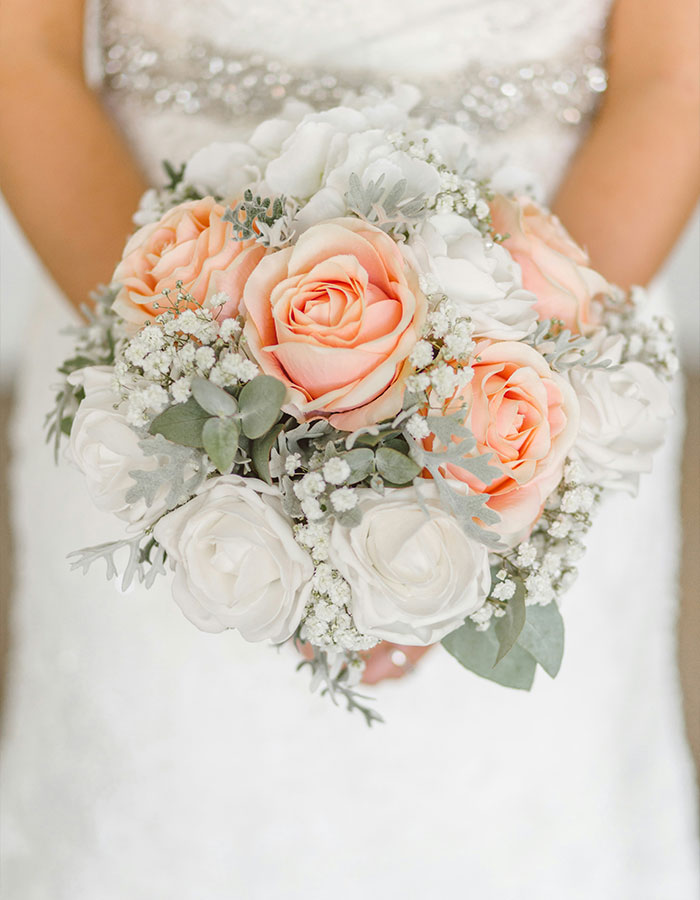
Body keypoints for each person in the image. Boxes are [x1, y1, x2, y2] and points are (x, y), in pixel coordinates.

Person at [0, 0, 698, 896]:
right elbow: (24, 58)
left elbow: (671, 80)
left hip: (560, 320)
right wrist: (201, 420)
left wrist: (495, 422)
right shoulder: (155, 373)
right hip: (137, 308)